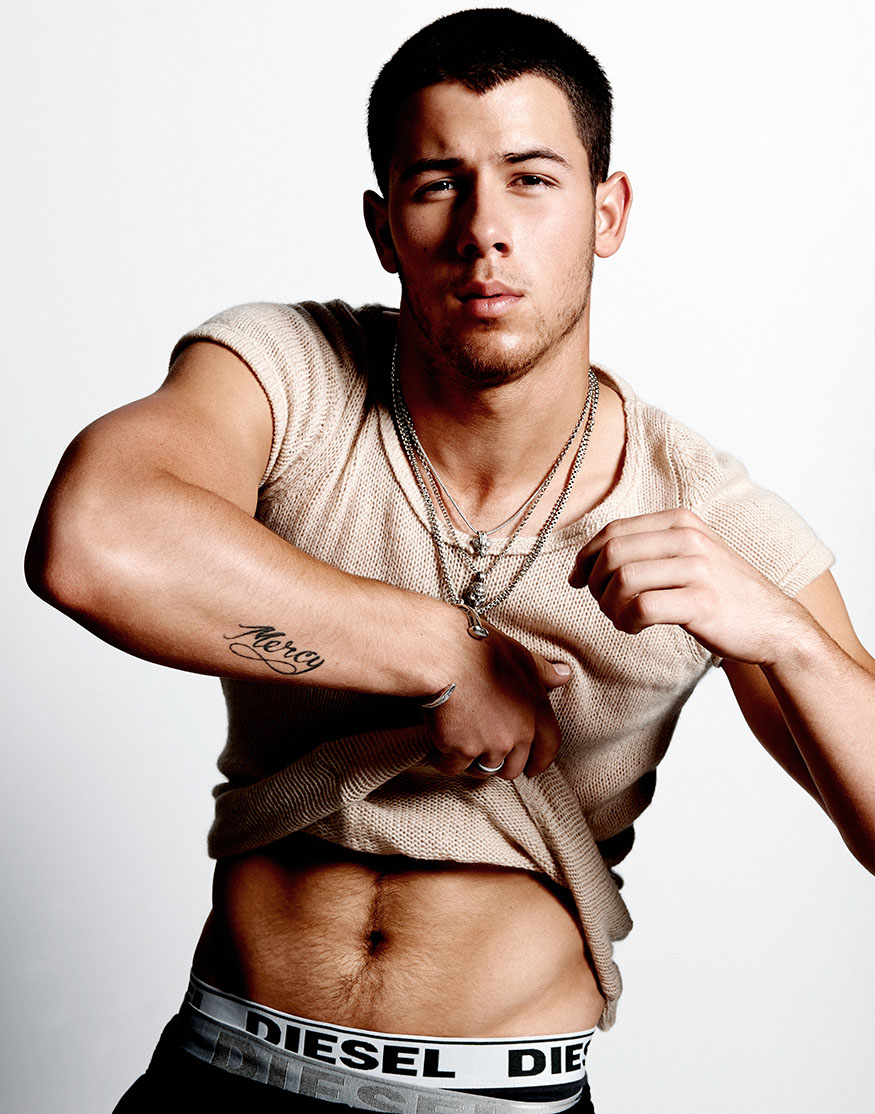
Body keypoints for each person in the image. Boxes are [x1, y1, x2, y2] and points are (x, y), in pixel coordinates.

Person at [24, 8, 875, 1113]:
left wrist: (786, 640)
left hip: (495, 1097)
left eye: (531, 180)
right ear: (384, 227)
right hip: (224, 1066)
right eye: (438, 185)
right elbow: (91, 540)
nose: (484, 232)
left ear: (606, 212)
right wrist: (442, 651)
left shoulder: (702, 512)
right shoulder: (291, 374)